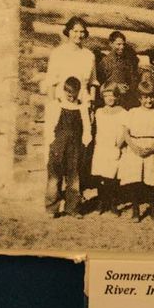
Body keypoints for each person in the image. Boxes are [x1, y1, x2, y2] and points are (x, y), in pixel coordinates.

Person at [119, 80, 154, 223]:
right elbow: (126, 133)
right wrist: (134, 147)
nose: (149, 100)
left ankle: (153, 209)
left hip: (151, 147)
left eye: (151, 96)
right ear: (139, 98)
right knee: (135, 180)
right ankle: (135, 210)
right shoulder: (132, 112)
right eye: (145, 97)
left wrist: (153, 148)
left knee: (152, 180)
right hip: (135, 147)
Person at [44, 76, 92, 218]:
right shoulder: (56, 106)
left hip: (75, 147)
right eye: (68, 94)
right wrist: (52, 143)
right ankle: (52, 208)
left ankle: (72, 208)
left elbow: (87, 128)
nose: (71, 97)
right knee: (54, 177)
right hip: (58, 145)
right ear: (64, 91)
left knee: (74, 177)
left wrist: (85, 142)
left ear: (78, 92)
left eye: (74, 94)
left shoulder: (82, 108)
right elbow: (49, 126)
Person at [90, 82, 127, 216]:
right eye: (106, 96)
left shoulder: (122, 112)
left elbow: (125, 131)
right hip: (101, 147)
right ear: (102, 97)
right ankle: (101, 201)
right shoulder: (99, 112)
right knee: (101, 176)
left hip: (114, 147)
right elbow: (96, 130)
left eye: (112, 96)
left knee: (112, 177)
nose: (110, 99)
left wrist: (119, 145)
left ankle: (112, 202)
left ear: (117, 96)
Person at [96, 31, 139, 109]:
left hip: (124, 100)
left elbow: (132, 79)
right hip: (110, 100)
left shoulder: (127, 61)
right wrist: (115, 86)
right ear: (111, 44)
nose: (122, 47)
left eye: (123, 44)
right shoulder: (105, 62)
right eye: (118, 44)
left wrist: (128, 87)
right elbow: (100, 83)